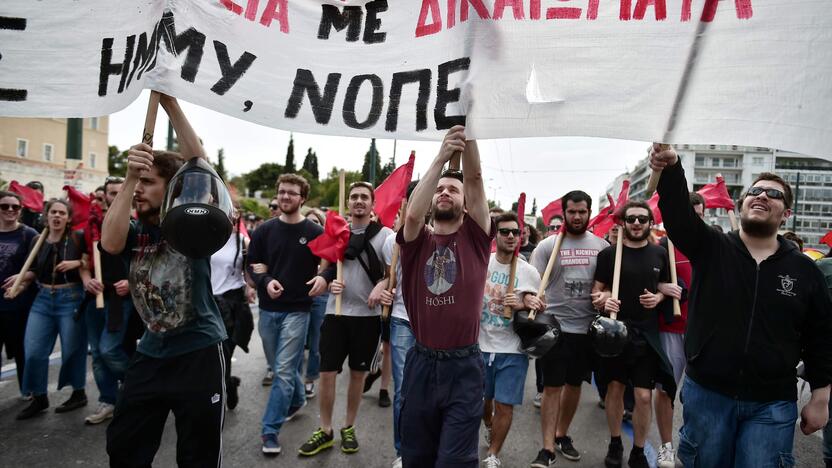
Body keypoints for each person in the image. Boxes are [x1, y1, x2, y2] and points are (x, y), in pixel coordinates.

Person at [651, 144, 832, 467]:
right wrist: (673, 167)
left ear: (786, 213)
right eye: (755, 191)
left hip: (772, 403)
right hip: (707, 393)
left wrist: (820, 397)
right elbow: (678, 214)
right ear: (742, 203)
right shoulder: (711, 247)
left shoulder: (804, 270)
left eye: (773, 195)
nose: (762, 196)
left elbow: (821, 338)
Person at [102, 95, 228, 466]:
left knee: (198, 455)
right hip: (150, 353)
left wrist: (170, 101)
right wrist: (130, 177)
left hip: (199, 353)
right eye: (139, 182)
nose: (140, 189)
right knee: (124, 446)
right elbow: (110, 243)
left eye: (149, 182)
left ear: (172, 188)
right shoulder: (135, 228)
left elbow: (197, 160)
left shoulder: (191, 224)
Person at [397, 125, 492, 467]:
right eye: (438, 189)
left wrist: (471, 129)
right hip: (421, 363)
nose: (444, 192)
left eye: (453, 189)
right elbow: (411, 213)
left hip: (463, 367)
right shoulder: (415, 241)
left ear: (466, 204)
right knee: (416, 457)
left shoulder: (476, 239)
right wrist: (440, 156)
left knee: (454, 460)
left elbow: (476, 180)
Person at [299, 181, 392, 457]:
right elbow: (327, 269)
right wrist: (325, 281)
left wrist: (383, 284)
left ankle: (348, 427)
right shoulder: (337, 230)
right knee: (327, 373)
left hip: (368, 316)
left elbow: (394, 271)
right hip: (335, 312)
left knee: (357, 375)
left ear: (373, 204)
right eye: (354, 197)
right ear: (348, 203)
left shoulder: (385, 235)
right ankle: (325, 430)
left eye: (364, 197)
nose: (359, 201)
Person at [593, 200, 677, 468]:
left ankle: (638, 450)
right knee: (615, 390)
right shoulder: (609, 255)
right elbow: (596, 292)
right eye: (632, 219)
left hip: (646, 335)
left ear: (651, 223)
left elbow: (665, 286)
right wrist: (604, 299)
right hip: (616, 333)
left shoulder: (660, 254)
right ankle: (615, 442)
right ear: (623, 223)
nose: (637, 223)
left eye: (643, 219)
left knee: (643, 396)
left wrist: (660, 296)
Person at [529, 190, 609, 467]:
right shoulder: (547, 246)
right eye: (572, 212)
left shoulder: (601, 246)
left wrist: (606, 295)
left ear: (589, 213)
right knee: (552, 387)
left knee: (574, 385)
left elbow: (610, 285)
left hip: (586, 329)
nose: (577, 216)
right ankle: (547, 447)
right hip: (555, 327)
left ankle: (562, 434)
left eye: (582, 212)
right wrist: (531, 297)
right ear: (564, 213)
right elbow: (532, 282)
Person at [248, 173, 326, 455]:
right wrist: (265, 281)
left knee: (282, 369)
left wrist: (325, 278)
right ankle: (295, 401)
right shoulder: (263, 231)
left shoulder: (315, 232)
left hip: (298, 310)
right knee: (282, 366)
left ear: (302, 198)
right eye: (281, 192)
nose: (284, 197)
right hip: (268, 312)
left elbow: (331, 263)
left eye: (291, 193)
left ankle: (270, 430)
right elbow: (252, 266)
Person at [16, 198, 92, 420]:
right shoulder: (38, 240)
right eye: (53, 212)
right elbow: (32, 270)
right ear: (46, 215)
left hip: (71, 297)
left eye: (62, 213)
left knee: (73, 349)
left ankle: (78, 392)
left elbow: (92, 262)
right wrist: (20, 282)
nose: (57, 216)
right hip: (42, 299)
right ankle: (39, 397)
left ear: (68, 218)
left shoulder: (77, 238)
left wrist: (76, 264)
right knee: (33, 351)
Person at [480, 212, 543, 468]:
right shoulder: (483, 263)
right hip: (480, 346)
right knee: (484, 402)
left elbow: (542, 305)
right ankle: (488, 424)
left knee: (505, 406)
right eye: (504, 231)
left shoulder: (529, 271)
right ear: (496, 235)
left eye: (515, 232)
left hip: (513, 350)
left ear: (521, 236)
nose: (510, 236)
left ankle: (493, 453)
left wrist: (525, 302)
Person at [652, 192, 703, 467]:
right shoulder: (664, 246)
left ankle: (692, 441)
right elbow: (645, 277)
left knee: (701, 392)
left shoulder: (716, 245)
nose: (695, 219)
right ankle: (666, 446)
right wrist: (660, 287)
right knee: (666, 390)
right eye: (690, 214)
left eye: (700, 214)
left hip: (705, 332)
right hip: (671, 329)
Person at [83, 176, 135, 425]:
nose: (115, 197)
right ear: (104, 196)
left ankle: (139, 387)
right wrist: (85, 279)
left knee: (109, 349)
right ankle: (108, 400)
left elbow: (149, 264)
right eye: (111, 193)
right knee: (98, 355)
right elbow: (83, 262)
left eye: (119, 192)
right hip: (94, 297)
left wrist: (132, 282)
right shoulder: (90, 226)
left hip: (120, 300)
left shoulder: (135, 227)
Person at [378, 180, 418, 468]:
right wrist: (383, 286)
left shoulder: (440, 236)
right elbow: (386, 275)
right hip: (403, 320)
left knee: (432, 389)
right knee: (404, 389)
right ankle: (403, 451)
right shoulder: (392, 242)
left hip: (435, 324)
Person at [210, 202, 254, 411]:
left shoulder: (243, 241)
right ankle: (229, 383)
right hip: (207, 304)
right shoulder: (206, 239)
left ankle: (223, 388)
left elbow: (250, 272)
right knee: (210, 356)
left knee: (224, 353)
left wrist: (251, 287)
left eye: (233, 212)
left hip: (232, 305)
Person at [0, 191, 39, 399]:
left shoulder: (29, 234)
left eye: (15, 207)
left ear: (21, 210)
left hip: (19, 304)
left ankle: (27, 389)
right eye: (4, 206)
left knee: (22, 349)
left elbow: (38, 267)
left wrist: (22, 278)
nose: (10, 210)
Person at [301, 207, 329, 399]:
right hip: (298, 297)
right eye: (308, 221)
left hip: (320, 297)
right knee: (297, 340)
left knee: (316, 342)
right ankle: (292, 381)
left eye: (316, 222)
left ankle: (310, 379)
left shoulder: (327, 247)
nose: (311, 225)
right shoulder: (297, 244)